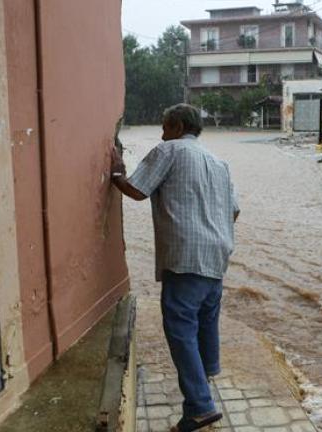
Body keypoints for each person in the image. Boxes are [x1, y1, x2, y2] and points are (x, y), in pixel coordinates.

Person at [110, 104, 239, 432]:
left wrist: (116, 173)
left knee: (180, 327)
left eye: (165, 127)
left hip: (185, 257)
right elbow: (234, 211)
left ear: (178, 126)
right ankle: (206, 377)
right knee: (206, 322)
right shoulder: (220, 163)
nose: (161, 134)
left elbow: (137, 190)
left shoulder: (169, 150)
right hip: (217, 255)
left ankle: (200, 406)